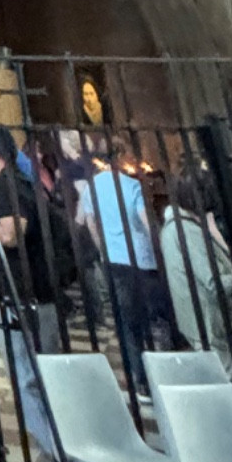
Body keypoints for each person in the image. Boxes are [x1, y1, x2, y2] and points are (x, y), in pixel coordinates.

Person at [0, 128, 62, 462]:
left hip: (24, 302)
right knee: (41, 382)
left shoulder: (7, 187)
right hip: (34, 299)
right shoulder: (21, 182)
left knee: (30, 384)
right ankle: (55, 459)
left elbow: (11, 234)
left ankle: (61, 460)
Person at [87, 145, 173, 396]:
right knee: (154, 317)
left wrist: (102, 248)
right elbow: (146, 222)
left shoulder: (93, 186)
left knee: (126, 321)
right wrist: (160, 250)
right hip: (141, 258)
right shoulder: (131, 185)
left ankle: (139, 377)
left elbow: (90, 221)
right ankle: (161, 369)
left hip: (113, 258)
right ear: (118, 158)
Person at [157, 168, 232, 367]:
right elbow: (213, 281)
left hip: (204, 321)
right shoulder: (186, 230)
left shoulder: (178, 225)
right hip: (210, 322)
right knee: (229, 379)